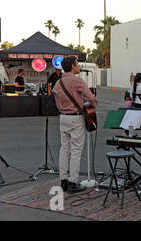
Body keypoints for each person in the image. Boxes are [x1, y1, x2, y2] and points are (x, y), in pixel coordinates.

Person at [52, 56, 97, 194]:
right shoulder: (77, 80)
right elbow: (91, 98)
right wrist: (92, 104)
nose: (78, 66)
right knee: (76, 150)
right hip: (75, 118)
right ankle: (73, 182)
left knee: (64, 149)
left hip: (63, 117)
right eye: (77, 64)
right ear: (72, 66)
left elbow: (56, 101)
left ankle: (63, 181)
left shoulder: (58, 83)